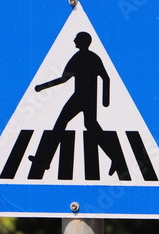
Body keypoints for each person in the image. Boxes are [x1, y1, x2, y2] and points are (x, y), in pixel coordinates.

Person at [30, 32, 126, 178]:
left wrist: (42, 87)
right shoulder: (94, 57)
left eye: (76, 38)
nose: (74, 40)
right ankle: (117, 159)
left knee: (66, 123)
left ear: (82, 41)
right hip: (89, 98)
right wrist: (104, 100)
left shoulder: (80, 57)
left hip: (80, 97)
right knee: (89, 126)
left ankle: (44, 160)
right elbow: (105, 78)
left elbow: (64, 79)